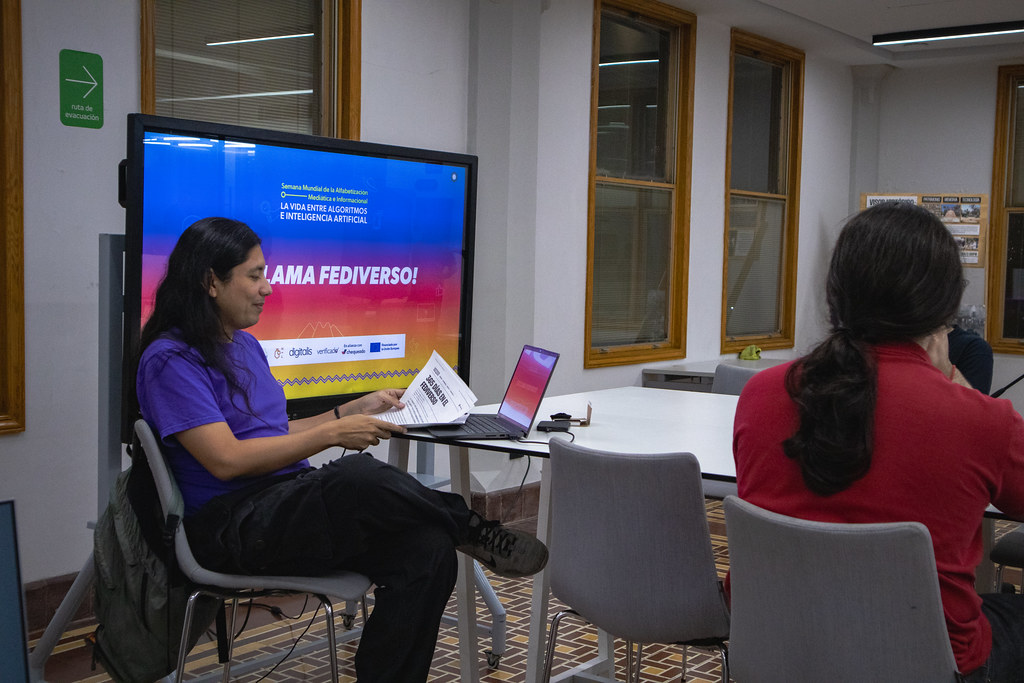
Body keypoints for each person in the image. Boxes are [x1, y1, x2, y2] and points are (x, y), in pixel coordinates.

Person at [134, 216, 548, 682]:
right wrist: (334, 435)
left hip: (286, 509)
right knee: (358, 476)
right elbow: (226, 460)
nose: (267, 288)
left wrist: (349, 410)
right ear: (211, 281)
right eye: (254, 275)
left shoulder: (244, 347)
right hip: (231, 528)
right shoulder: (170, 360)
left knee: (428, 552)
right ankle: (470, 526)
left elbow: (276, 432)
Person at [731, 201, 1024, 681]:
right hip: (927, 659)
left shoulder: (761, 394)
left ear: (837, 292)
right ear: (942, 311)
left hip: (781, 644)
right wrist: (952, 376)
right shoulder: (981, 419)